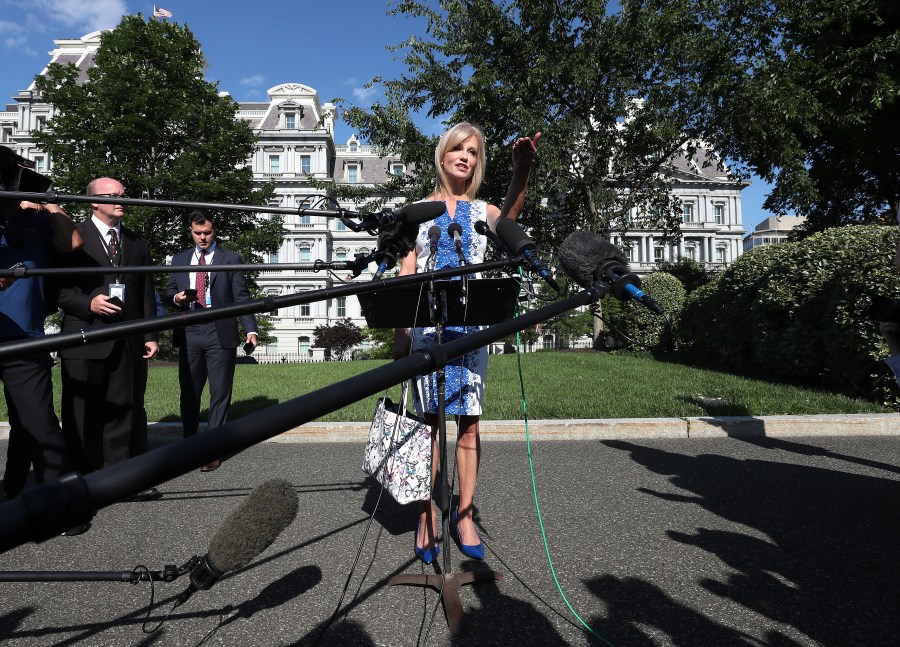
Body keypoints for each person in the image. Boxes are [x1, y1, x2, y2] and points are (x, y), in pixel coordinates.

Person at [393, 123, 540, 563]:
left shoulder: (481, 210)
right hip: (427, 331)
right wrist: (401, 332)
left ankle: (465, 514)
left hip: (471, 334)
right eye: (458, 148)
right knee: (429, 425)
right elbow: (406, 270)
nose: (465, 157)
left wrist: (522, 171)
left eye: (473, 152)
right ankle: (425, 515)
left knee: (469, 424)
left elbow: (509, 221)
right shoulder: (416, 211)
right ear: (442, 155)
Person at [57, 177, 160, 501]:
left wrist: (150, 334)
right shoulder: (73, 238)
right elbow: (56, 289)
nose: (120, 200)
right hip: (84, 338)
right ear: (93, 202)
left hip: (126, 340)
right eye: (112, 195)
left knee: (123, 411)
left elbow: (145, 293)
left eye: (123, 194)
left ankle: (120, 480)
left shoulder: (137, 243)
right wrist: (87, 303)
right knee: (81, 413)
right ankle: (82, 482)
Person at [0, 146, 82, 503]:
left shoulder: (35, 220)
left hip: (24, 338)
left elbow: (73, 241)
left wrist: (50, 202)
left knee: (38, 421)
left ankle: (57, 500)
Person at [165, 209, 257, 472]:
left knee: (220, 393)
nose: (203, 238)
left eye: (207, 232)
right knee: (190, 392)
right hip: (190, 330)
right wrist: (178, 297)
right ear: (190, 232)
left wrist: (250, 329)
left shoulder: (231, 258)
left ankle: (212, 449)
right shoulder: (180, 259)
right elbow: (169, 290)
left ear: (214, 230)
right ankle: (189, 447)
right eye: (198, 233)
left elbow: (242, 297)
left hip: (221, 332)